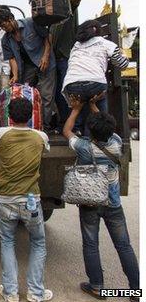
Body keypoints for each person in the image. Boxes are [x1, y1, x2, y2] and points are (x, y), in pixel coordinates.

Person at [62, 96, 139, 301]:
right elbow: (105, 127)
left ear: (91, 131)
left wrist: (77, 110)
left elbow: (67, 131)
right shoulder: (115, 143)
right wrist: (94, 106)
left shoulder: (84, 148)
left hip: (90, 203)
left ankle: (97, 286)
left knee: (90, 244)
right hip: (113, 204)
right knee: (124, 245)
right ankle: (135, 289)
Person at [0, 98, 52, 302]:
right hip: (31, 199)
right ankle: (36, 293)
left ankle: (11, 293)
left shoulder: (1, 133)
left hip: (6, 199)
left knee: (7, 242)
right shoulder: (41, 137)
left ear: (9, 116)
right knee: (38, 242)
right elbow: (45, 148)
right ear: (31, 116)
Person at [0, 6, 56, 132]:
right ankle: (30, 124)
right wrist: (15, 75)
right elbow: (12, 59)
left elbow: (47, 37)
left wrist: (45, 56)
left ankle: (45, 127)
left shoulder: (31, 23)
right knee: (25, 93)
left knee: (46, 95)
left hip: (44, 63)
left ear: (11, 19)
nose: (5, 29)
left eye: (5, 25)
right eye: (2, 27)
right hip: (27, 67)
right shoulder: (6, 39)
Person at [62, 20, 129, 135]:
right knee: (99, 117)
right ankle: (95, 138)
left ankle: (77, 131)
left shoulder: (76, 46)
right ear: (97, 30)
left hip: (72, 85)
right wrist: (124, 56)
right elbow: (122, 64)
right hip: (95, 84)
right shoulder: (105, 43)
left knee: (79, 103)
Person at [48, 0, 84, 130]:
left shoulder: (67, 6)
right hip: (53, 60)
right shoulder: (47, 15)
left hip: (66, 58)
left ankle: (76, 125)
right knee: (56, 94)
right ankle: (64, 122)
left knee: (68, 92)